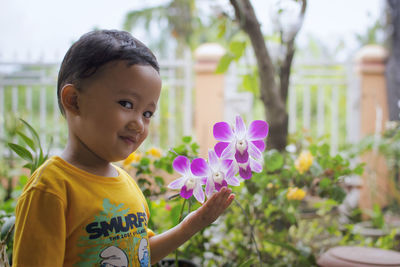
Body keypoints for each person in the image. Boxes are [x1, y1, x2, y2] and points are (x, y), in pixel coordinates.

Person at [12, 29, 235, 266]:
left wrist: (193, 224)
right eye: (126, 104)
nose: (139, 123)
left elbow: (141, 254)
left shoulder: (126, 184)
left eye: (147, 113)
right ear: (74, 100)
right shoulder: (51, 189)